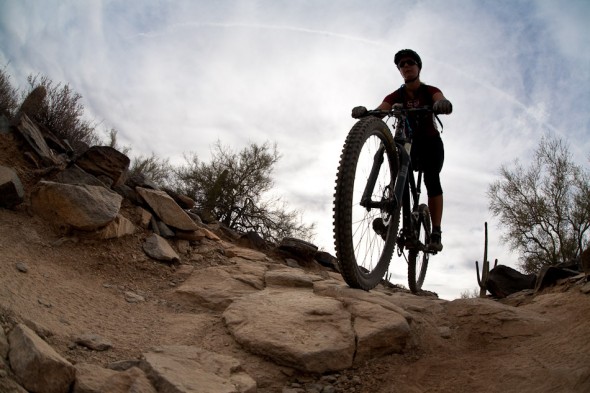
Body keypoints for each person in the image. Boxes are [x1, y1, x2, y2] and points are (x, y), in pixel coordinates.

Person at [351, 49, 452, 251]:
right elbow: (382, 110)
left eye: (410, 62)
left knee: (432, 179)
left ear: (418, 67)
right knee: (399, 176)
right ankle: (392, 222)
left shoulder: (429, 90)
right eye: (401, 65)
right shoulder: (396, 95)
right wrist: (367, 114)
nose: (406, 66)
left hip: (430, 144)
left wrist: (441, 103)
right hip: (410, 145)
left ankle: (436, 232)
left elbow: (439, 98)